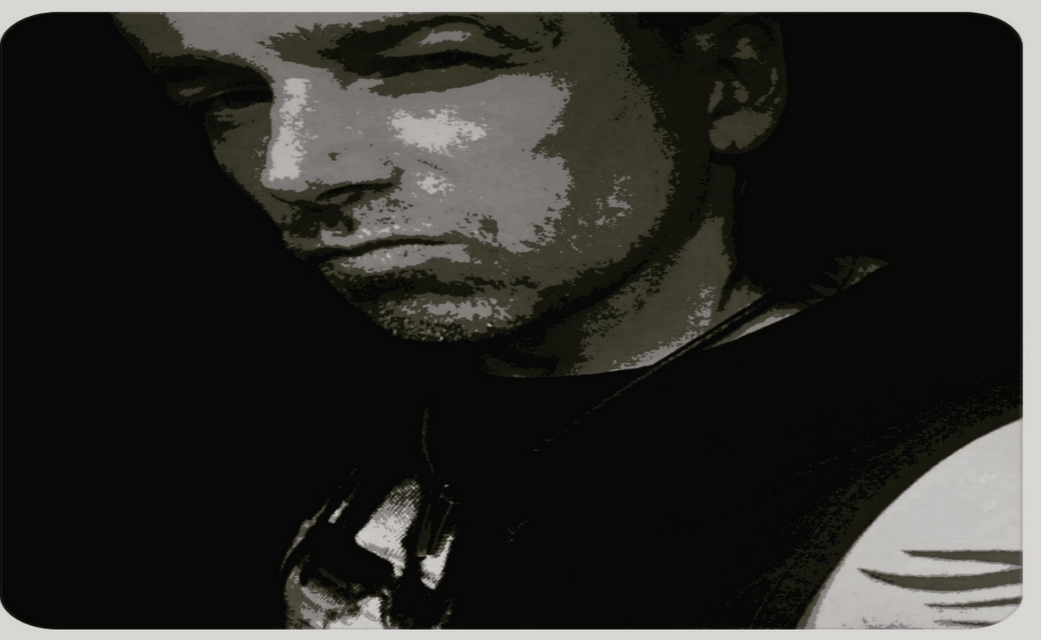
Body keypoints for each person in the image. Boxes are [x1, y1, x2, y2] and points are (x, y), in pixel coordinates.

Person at [110, 12, 1020, 629]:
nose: (293, 170)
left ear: (729, 83)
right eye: (223, 97)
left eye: (431, 64)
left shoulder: (974, 491)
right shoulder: (289, 406)